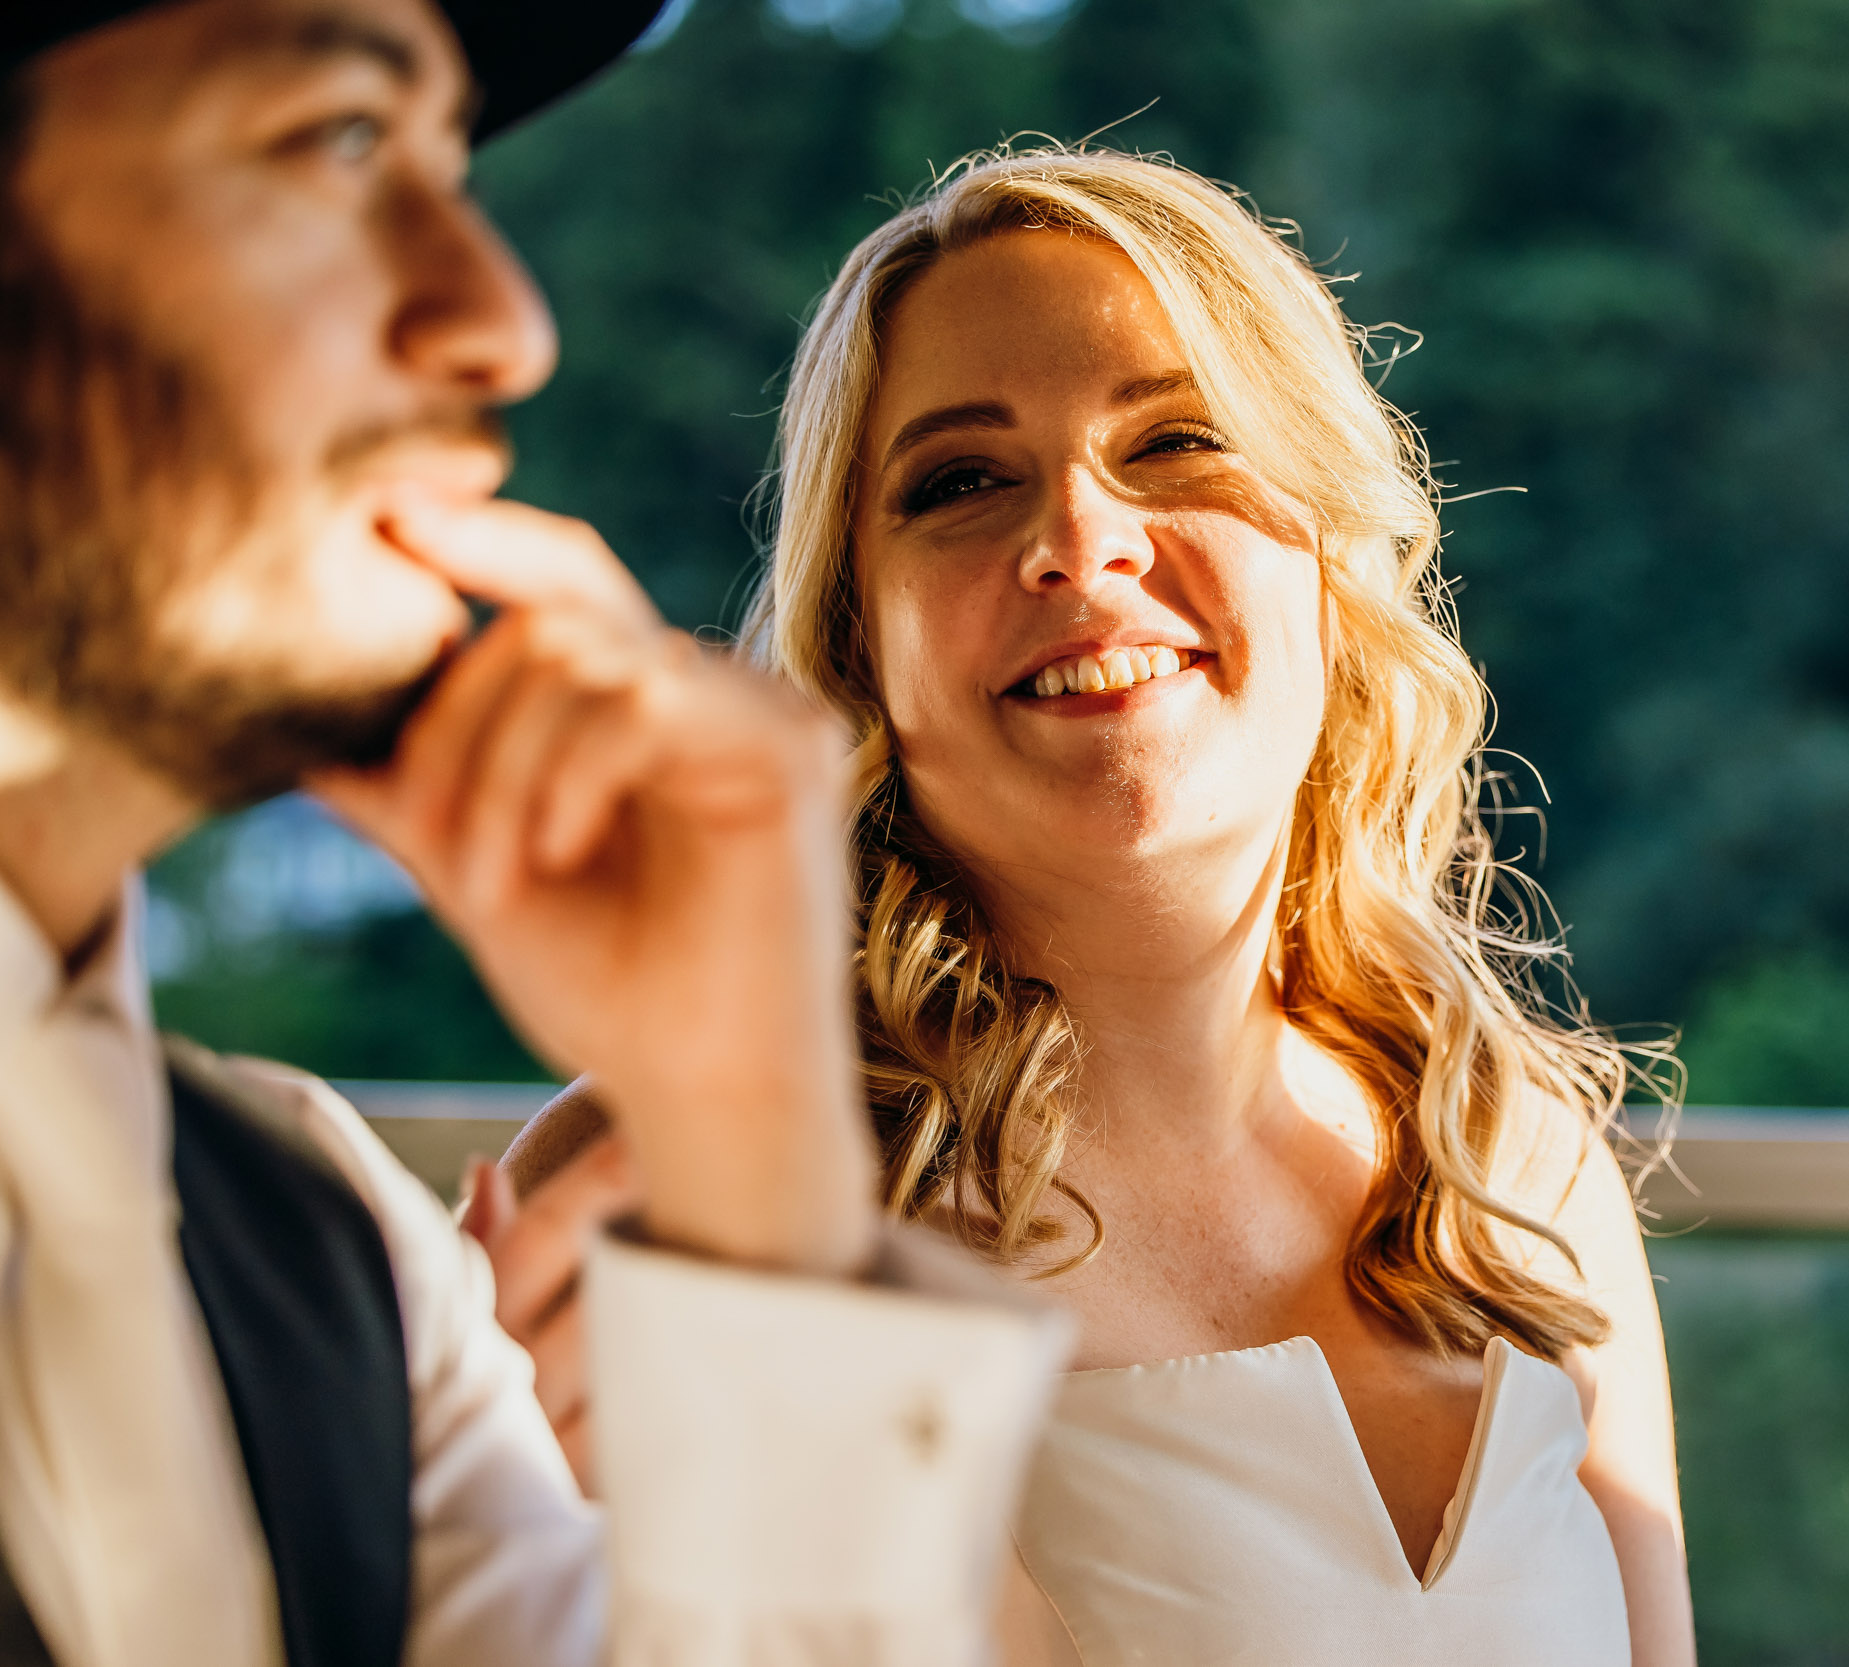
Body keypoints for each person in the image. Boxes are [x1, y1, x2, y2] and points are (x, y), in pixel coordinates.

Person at [500, 147, 1701, 1667]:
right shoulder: (674, 1196)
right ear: (856, 643)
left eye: (1177, 441)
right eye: (960, 482)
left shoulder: (1518, 1173)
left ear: (1329, 555)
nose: (1078, 538)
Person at [0, 3, 1067, 1664]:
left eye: (451, 163)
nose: (501, 323)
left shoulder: (335, 1258)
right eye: (339, 137)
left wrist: (753, 1148)